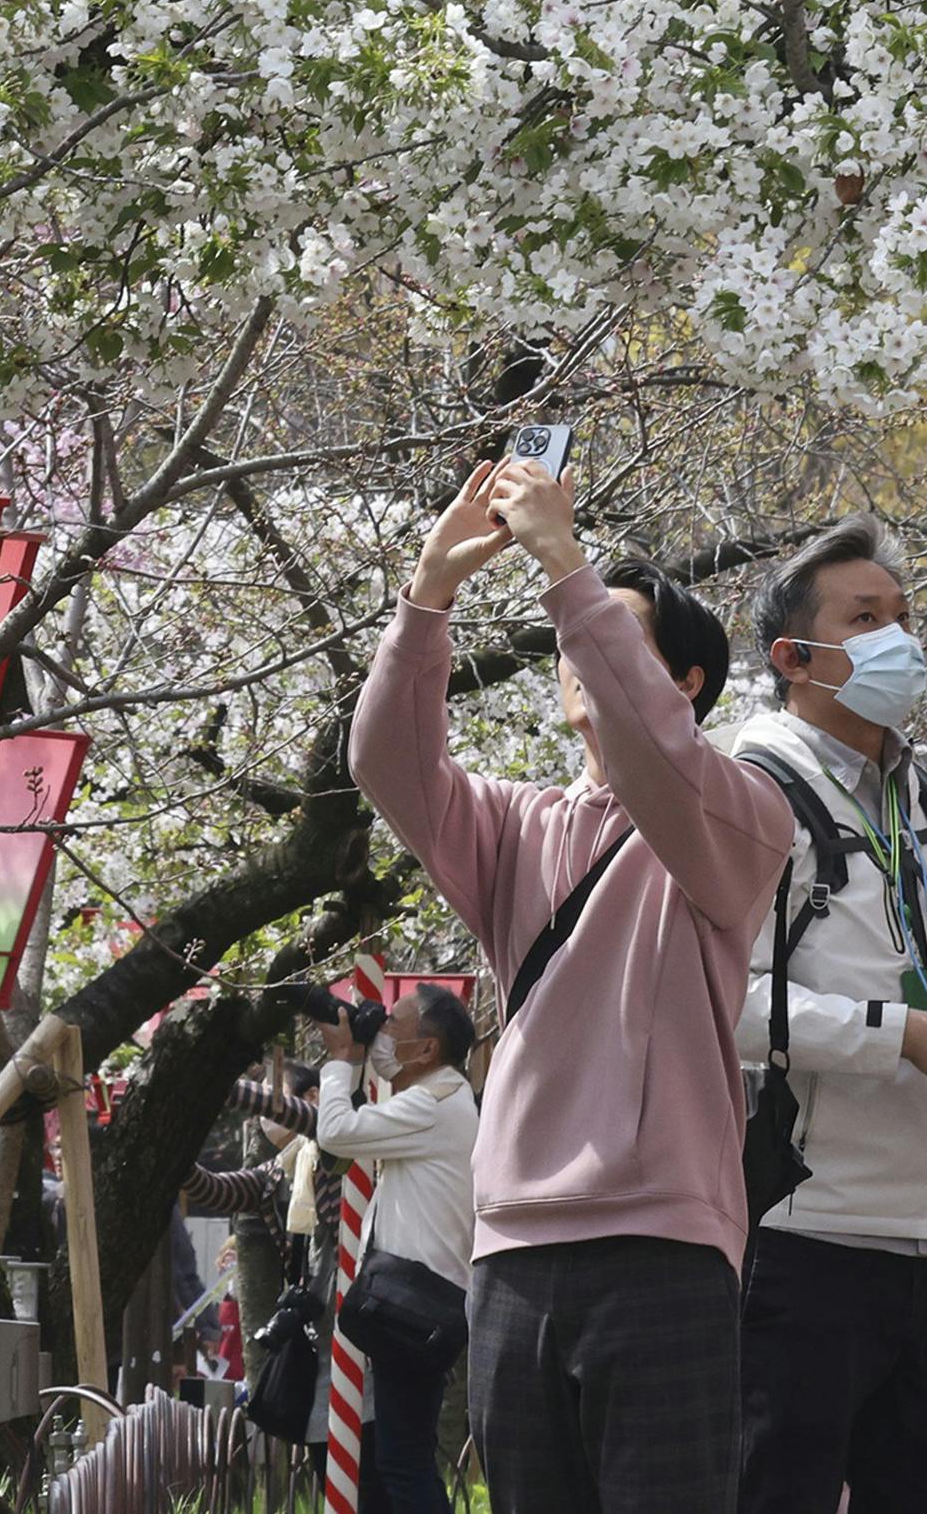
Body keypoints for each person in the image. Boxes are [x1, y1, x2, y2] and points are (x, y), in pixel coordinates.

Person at [354, 451, 799, 1514]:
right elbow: (386, 763)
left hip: (662, 1244)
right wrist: (426, 596)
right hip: (512, 1246)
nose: (574, 650)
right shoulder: (519, 826)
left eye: (605, 629)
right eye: (574, 634)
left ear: (683, 681)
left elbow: (660, 751)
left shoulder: (738, 816)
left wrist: (566, 567)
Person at [730, 516, 927, 1514]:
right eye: (864, 618)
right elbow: (715, 1001)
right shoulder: (746, 792)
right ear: (791, 655)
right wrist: (900, 1035)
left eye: (903, 617)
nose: (896, 641)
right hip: (800, 1243)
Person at [314, 985, 488, 1514]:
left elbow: (336, 1134)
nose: (384, 1032)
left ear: (427, 1049)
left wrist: (341, 1061)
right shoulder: (446, 1098)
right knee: (404, 1457)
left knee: (403, 1461)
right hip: (423, 1302)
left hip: (414, 1306)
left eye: (395, 1026)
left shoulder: (432, 1103)